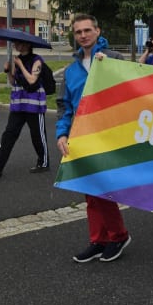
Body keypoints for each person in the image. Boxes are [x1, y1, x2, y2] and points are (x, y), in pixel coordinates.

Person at [57, 14, 131, 264]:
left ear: (98, 31)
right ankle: (98, 240)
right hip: (80, 134)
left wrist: (110, 69)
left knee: (104, 188)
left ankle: (118, 236)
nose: (83, 35)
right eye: (78, 32)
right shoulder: (70, 71)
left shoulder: (115, 59)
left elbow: (131, 92)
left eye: (88, 30)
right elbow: (64, 106)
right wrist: (62, 133)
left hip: (109, 134)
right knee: (88, 190)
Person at [0, 39, 50, 177]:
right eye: (15, 43)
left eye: (18, 43)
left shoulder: (37, 60)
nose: (16, 46)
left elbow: (31, 80)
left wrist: (21, 65)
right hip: (18, 104)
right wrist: (8, 71)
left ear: (27, 45)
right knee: (9, 134)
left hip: (34, 105)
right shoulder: (17, 61)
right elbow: (14, 82)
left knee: (38, 136)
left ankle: (43, 162)